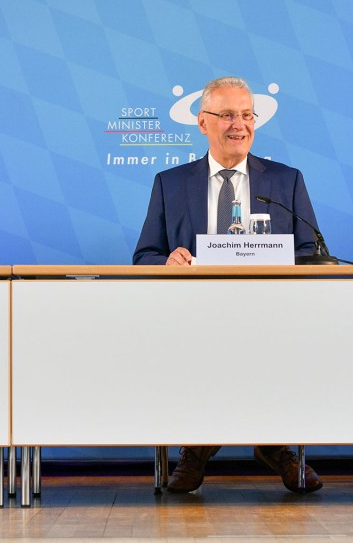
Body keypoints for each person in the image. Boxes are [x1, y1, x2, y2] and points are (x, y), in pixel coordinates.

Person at [132, 76, 323, 494]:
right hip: (195, 315)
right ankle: (199, 447)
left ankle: (273, 446)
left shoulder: (285, 180)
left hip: (272, 313)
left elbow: (312, 251)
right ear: (203, 123)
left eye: (247, 115)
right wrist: (168, 259)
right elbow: (144, 254)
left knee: (270, 346)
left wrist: (277, 261)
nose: (240, 125)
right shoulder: (171, 183)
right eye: (227, 115)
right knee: (204, 347)